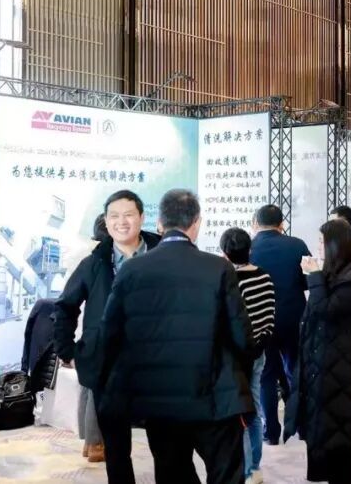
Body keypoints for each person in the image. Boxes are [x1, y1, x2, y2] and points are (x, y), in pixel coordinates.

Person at [99, 189, 254, 484]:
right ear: (197, 223)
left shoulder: (131, 270)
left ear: (159, 223)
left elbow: (110, 336)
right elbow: (243, 338)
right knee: (226, 474)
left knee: (172, 474)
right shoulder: (218, 268)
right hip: (216, 396)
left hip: (159, 400)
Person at [54, 191, 160, 478]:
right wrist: (67, 351)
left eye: (128, 215)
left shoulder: (162, 257)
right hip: (109, 369)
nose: (121, 222)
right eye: (114, 216)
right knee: (116, 450)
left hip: (159, 369)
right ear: (106, 220)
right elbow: (65, 307)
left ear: (141, 217)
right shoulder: (95, 263)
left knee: (168, 449)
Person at [284, 220, 351, 484]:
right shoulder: (338, 270)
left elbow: (326, 310)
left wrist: (314, 276)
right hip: (319, 356)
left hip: (337, 360)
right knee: (319, 425)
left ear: (335, 245)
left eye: (321, 242)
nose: (317, 247)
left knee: (335, 431)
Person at [250, 204, 311, 445]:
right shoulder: (297, 245)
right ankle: (302, 426)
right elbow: (309, 281)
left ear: (256, 223)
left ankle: (271, 432)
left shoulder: (249, 247)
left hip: (261, 321)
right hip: (293, 318)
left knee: (266, 376)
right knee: (295, 371)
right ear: (281, 224)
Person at [220, 228, 275, 484]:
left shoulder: (230, 280)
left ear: (224, 253)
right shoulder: (264, 276)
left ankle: (247, 469)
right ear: (249, 250)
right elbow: (270, 317)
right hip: (258, 353)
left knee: (239, 414)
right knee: (253, 409)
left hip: (237, 357)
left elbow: (229, 323)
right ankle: (254, 468)